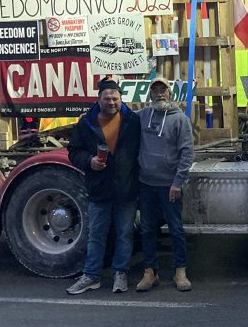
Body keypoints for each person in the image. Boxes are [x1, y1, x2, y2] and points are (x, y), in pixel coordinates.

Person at [66, 79, 141, 295]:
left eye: (115, 98)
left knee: (124, 234)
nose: (111, 102)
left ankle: (120, 273)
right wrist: (89, 161)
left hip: (126, 188)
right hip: (99, 188)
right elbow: (74, 151)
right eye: (107, 98)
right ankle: (91, 275)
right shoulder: (86, 123)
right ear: (98, 99)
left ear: (121, 98)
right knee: (96, 235)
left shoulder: (133, 121)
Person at [136, 77, 195, 292]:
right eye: (155, 90)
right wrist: (91, 114)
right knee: (147, 229)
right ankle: (150, 272)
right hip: (146, 184)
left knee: (175, 229)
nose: (160, 93)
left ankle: (180, 271)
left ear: (170, 93)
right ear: (150, 94)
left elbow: (187, 153)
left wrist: (177, 183)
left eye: (163, 90)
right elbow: (118, 116)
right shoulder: (142, 116)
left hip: (170, 186)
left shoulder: (180, 119)